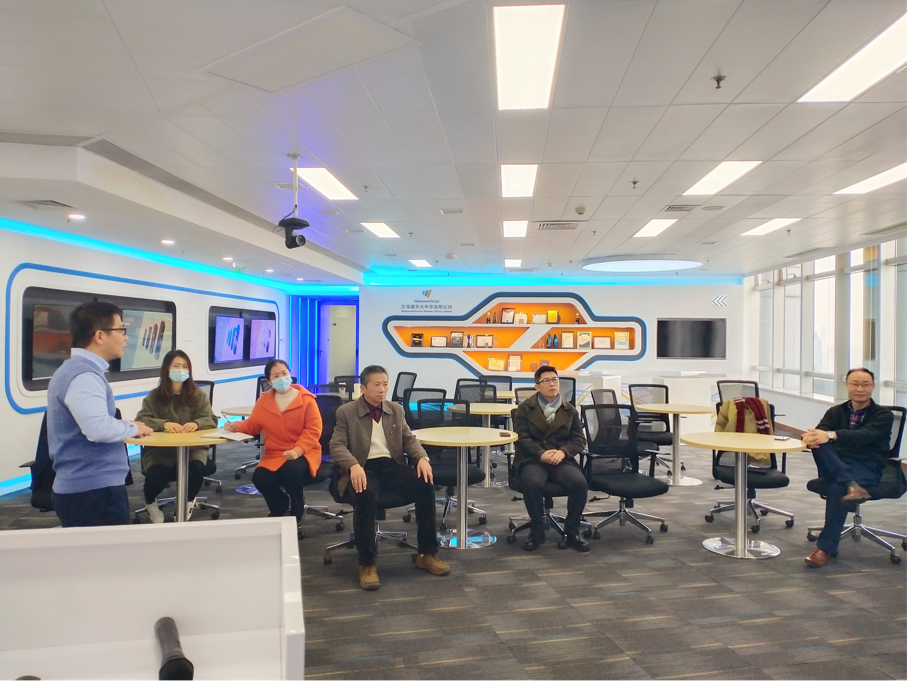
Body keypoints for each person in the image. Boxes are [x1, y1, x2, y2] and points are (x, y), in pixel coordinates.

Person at [329, 365, 449, 590]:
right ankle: (367, 563)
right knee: (365, 493)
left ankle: (427, 553)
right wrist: (353, 465)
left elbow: (409, 439)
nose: (382, 389)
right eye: (376, 385)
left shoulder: (395, 409)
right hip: (363, 466)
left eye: (385, 384)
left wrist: (422, 458)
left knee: (425, 485)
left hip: (391, 465)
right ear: (363, 388)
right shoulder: (346, 412)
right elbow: (336, 446)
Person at [47, 301, 153, 527]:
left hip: (90, 489)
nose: (125, 337)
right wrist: (133, 428)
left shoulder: (76, 370)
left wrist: (124, 425)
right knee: (105, 551)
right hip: (92, 492)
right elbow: (97, 429)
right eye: (121, 330)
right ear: (100, 336)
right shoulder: (84, 375)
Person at [802, 368, 893, 568]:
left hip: (867, 465)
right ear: (846, 386)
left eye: (865, 384)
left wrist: (831, 435)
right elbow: (821, 430)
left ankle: (825, 548)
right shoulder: (836, 411)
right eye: (855, 384)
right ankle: (851, 484)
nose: (860, 389)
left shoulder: (883, 415)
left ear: (873, 387)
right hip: (838, 462)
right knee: (819, 444)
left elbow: (864, 437)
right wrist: (809, 437)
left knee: (838, 487)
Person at [225, 360, 322, 524]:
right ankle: (279, 505)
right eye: (276, 376)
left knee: (292, 471)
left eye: (284, 373)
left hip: (304, 451)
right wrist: (235, 426)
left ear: (290, 374)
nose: (282, 378)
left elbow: (313, 430)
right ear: (269, 382)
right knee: (260, 477)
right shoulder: (264, 401)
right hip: (276, 453)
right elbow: (253, 425)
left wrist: (298, 450)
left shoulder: (306, 400)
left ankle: (297, 510)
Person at [512, 366, 589, 552]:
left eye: (555, 380)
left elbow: (579, 439)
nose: (552, 384)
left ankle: (572, 532)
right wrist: (541, 453)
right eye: (546, 380)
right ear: (537, 386)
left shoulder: (570, 410)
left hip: (560, 459)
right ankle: (537, 532)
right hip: (534, 458)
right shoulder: (525, 408)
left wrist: (563, 452)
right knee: (532, 483)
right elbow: (521, 437)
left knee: (579, 484)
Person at [135, 349, 217, 522]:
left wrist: (197, 423)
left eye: (185, 367)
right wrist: (163, 424)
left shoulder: (198, 394)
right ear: (167, 369)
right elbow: (141, 420)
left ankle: (188, 501)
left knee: (196, 471)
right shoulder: (155, 396)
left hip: (193, 450)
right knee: (156, 477)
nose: (181, 370)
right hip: (161, 452)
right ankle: (150, 502)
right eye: (176, 366)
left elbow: (211, 419)